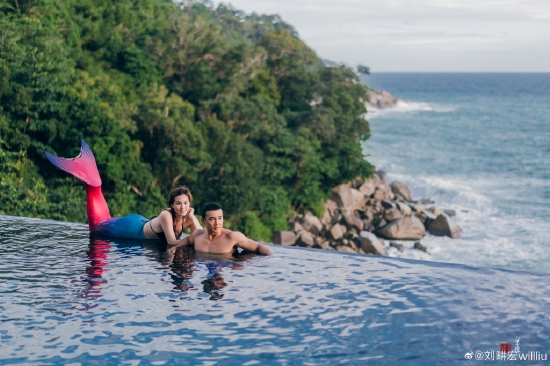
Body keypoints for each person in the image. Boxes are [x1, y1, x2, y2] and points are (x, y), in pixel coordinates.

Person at [45, 140, 200, 243]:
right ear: (172, 205)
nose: (183, 207)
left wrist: (192, 219)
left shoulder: (187, 217)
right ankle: (92, 184)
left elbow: (202, 237)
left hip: (141, 220)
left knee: (104, 221)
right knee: (98, 227)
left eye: (186, 203)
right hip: (132, 228)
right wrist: (192, 238)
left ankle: (92, 182)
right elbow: (172, 243)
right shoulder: (167, 215)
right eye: (178, 203)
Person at [180, 202, 274, 255]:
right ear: (204, 221)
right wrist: (172, 250)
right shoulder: (197, 235)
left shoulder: (232, 237)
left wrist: (273, 259)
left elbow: (258, 247)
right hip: (202, 269)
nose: (217, 223)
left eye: (220, 218)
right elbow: (188, 240)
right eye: (212, 219)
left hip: (225, 268)